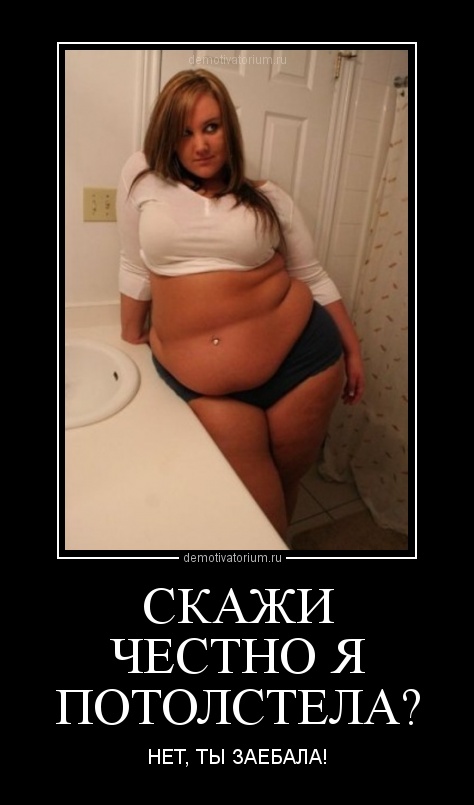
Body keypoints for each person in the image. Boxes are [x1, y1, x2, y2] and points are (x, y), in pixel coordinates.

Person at [117, 69, 364, 540]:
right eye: (184, 132)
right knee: (252, 506)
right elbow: (132, 263)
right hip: (210, 391)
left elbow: (312, 276)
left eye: (211, 127)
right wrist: (130, 335)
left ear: (228, 127)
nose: (200, 145)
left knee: (284, 488)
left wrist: (352, 350)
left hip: (304, 364)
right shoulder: (143, 178)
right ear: (167, 137)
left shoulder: (267, 198)